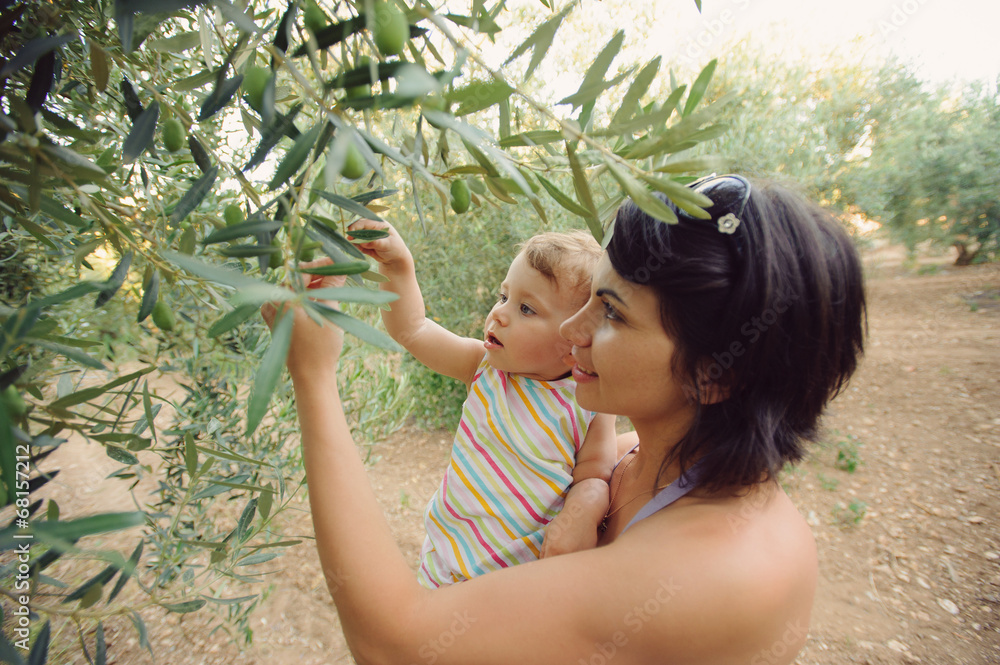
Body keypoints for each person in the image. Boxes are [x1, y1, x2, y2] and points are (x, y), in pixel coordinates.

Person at [263, 174, 866, 664]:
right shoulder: (647, 456)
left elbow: (393, 643)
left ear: (714, 374)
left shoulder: (718, 569)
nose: (572, 335)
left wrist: (312, 378)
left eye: (611, 315)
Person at [344, 222, 618, 586]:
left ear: (575, 338)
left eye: (526, 309)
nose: (499, 313)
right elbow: (413, 329)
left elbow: (595, 475)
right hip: (442, 566)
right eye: (503, 296)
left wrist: (582, 514)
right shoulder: (485, 369)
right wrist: (398, 268)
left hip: (515, 584)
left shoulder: (588, 403)